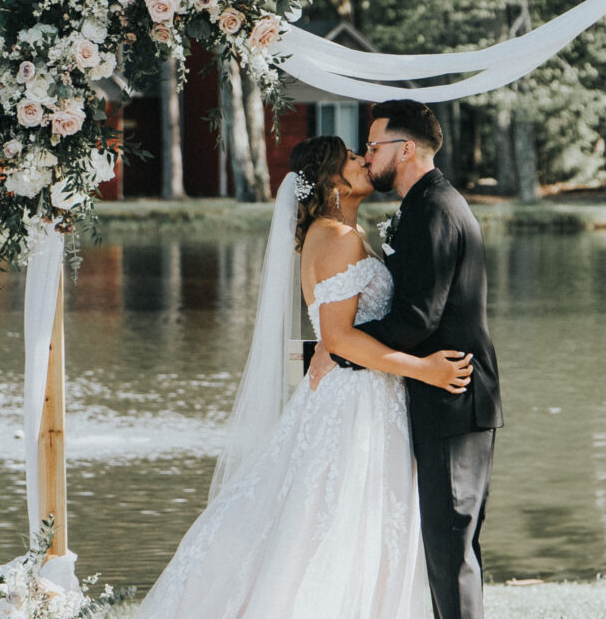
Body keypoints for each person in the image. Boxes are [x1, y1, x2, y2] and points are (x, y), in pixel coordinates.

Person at [133, 135, 472, 619]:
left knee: (331, 518)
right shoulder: (336, 237)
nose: (365, 162)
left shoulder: (334, 233)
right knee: (336, 522)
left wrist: (326, 349)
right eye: (354, 159)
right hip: (357, 402)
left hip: (361, 392)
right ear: (333, 181)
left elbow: (335, 333)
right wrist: (425, 370)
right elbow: (341, 338)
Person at [311, 100, 504, 619]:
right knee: (449, 548)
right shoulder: (420, 206)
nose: (369, 156)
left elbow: (418, 318)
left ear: (407, 149)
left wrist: (340, 347)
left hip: (452, 395)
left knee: (450, 551)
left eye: (375, 147)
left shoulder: (434, 210)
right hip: (442, 395)